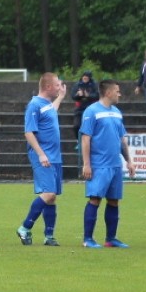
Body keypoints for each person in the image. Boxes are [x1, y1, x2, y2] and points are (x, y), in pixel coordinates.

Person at [79, 79, 136, 248]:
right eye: (117, 91)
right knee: (95, 199)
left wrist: (129, 161)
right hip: (99, 165)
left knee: (113, 201)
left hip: (115, 166)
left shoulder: (117, 112)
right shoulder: (92, 111)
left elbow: (121, 140)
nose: (119, 94)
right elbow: (85, 139)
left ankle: (111, 238)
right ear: (109, 92)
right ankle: (87, 239)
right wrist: (86, 164)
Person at [16, 72, 67, 247]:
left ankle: (49, 236)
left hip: (55, 157)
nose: (60, 86)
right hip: (43, 156)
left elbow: (51, 111)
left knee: (52, 197)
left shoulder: (46, 105)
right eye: (57, 85)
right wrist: (41, 154)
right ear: (48, 87)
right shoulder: (34, 105)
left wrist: (60, 97)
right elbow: (28, 132)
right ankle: (25, 227)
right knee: (48, 193)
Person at [72, 71, 99, 141]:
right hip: (80, 108)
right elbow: (73, 96)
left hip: (91, 108)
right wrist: (78, 95)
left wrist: (88, 96)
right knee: (76, 126)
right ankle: (78, 140)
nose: (85, 78)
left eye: (86, 77)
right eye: (84, 77)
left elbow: (98, 95)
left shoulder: (94, 85)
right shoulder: (77, 85)